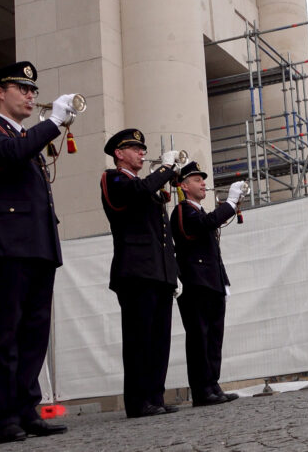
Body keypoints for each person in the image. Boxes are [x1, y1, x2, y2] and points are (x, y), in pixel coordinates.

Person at [0, 61, 74, 443]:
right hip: (7, 244)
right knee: (7, 332)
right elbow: (8, 155)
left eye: (33, 90)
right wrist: (53, 123)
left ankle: (28, 409)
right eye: (22, 88)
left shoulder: (27, 137)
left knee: (34, 333)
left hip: (38, 244)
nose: (30, 95)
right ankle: (5, 417)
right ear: (0, 91)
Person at [100, 129, 182, 418]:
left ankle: (155, 396)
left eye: (142, 148)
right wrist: (165, 169)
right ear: (119, 154)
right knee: (139, 338)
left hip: (158, 272)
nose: (141, 152)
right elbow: (137, 193)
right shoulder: (114, 178)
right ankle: (137, 401)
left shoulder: (148, 185)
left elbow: (162, 233)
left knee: (159, 339)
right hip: (135, 271)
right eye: (135, 148)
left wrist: (171, 272)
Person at [170, 163, 246, 407]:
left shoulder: (198, 210)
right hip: (195, 283)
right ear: (183, 185)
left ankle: (212, 384)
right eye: (196, 179)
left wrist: (222, 280)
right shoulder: (183, 211)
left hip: (211, 281)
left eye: (203, 179)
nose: (203, 183)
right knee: (199, 337)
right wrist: (230, 203)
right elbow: (205, 225)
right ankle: (202, 389)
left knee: (214, 336)